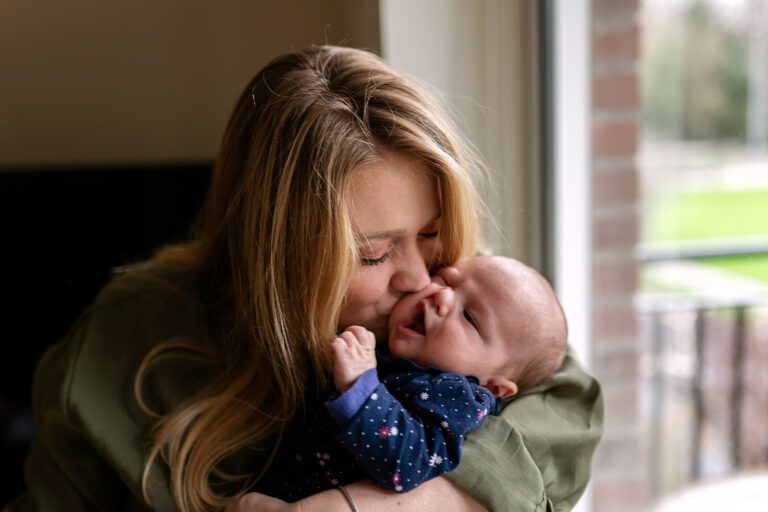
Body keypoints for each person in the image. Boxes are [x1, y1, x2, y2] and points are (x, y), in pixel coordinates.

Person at [5, 45, 603, 512]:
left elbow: (566, 406)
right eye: (372, 254)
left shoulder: (470, 299)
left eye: (432, 232)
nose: (423, 278)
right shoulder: (121, 345)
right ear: (277, 254)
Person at [250, 255, 568, 501]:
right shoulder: (399, 354)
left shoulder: (457, 397)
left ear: (493, 386)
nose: (442, 297)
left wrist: (361, 386)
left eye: (470, 317)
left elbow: (408, 462)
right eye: (446, 279)